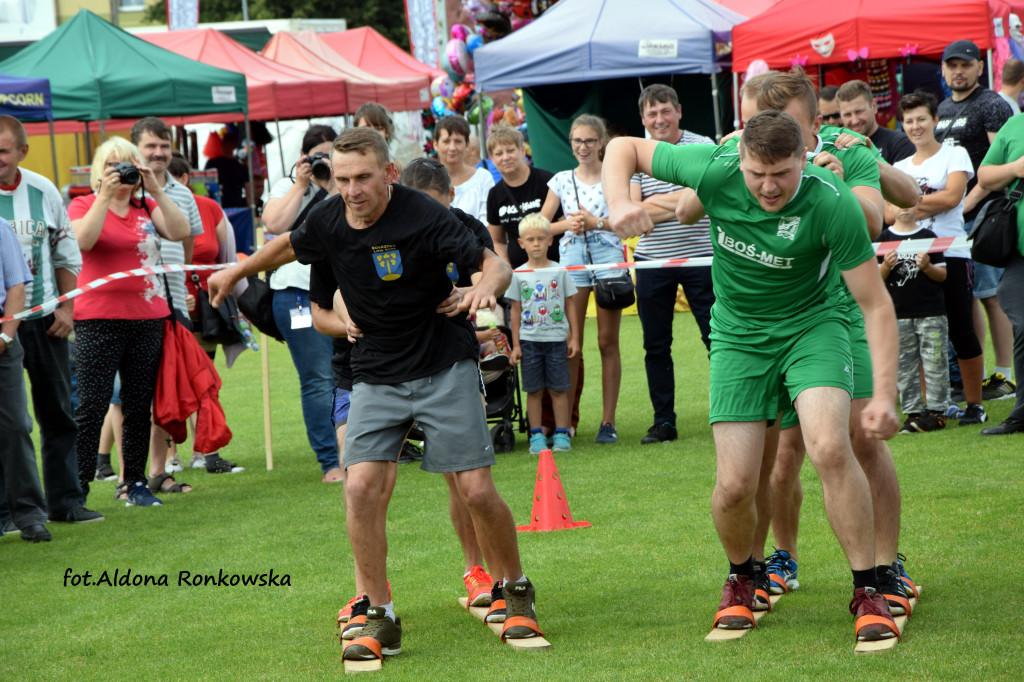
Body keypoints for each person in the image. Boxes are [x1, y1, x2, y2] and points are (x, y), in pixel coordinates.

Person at [206, 128, 543, 661]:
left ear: (388, 172)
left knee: (477, 492)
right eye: (342, 180)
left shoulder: (425, 214)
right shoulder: (331, 216)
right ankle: (380, 612)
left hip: (442, 365)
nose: (352, 190)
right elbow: (288, 245)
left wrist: (485, 287)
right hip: (375, 373)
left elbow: (494, 262)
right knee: (359, 488)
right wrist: (236, 270)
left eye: (362, 177)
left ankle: (517, 589)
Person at [604, 109, 901, 642]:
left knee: (831, 447)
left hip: (815, 326)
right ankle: (742, 577)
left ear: (802, 160)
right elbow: (622, 146)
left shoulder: (831, 201)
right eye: (756, 173)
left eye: (782, 173)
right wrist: (620, 202)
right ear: (738, 159)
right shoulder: (715, 166)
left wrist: (883, 392)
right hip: (739, 335)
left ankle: (868, 587)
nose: (768, 186)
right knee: (736, 484)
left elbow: (875, 304)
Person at [67, 137, 189, 508]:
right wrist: (105, 196)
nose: (121, 173)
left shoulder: (146, 205)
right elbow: (82, 243)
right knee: (92, 405)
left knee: (139, 406)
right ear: (98, 172)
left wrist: (155, 190)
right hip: (97, 319)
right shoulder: (83, 204)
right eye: (112, 166)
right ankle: (78, 487)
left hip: (147, 319)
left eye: (128, 166)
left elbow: (180, 232)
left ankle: (134, 482)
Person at [0, 115, 101, 525]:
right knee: (8, 422)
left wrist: (66, 308)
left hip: (44, 317)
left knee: (58, 411)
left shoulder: (43, 190)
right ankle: (8, 510)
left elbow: (65, 253)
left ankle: (66, 501)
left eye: (4, 150)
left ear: (23, 151)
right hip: (0, 325)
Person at [130, 117, 225, 480]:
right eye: (151, 146)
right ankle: (128, 476)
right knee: (131, 397)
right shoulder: (125, 186)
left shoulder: (184, 194)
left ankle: (158, 471)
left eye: (164, 146)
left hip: (171, 305)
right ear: (136, 147)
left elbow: (186, 252)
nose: (158, 153)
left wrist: (182, 288)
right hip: (130, 307)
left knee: (168, 392)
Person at [629, 84, 715, 444]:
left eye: (665, 110)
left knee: (719, 338)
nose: (659, 119)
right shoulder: (634, 154)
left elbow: (710, 194)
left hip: (703, 258)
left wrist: (657, 204)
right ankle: (664, 422)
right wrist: (683, 198)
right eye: (652, 113)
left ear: (679, 111)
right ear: (643, 119)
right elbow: (635, 214)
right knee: (655, 345)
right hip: (652, 262)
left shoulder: (704, 146)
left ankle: (735, 410)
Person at [893, 90, 984, 424]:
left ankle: (974, 403)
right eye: (909, 121)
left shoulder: (954, 154)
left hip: (952, 250)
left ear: (935, 120)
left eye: (921, 119)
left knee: (960, 327)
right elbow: (888, 211)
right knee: (914, 331)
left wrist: (908, 204)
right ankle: (926, 406)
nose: (915, 126)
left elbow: (953, 197)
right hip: (910, 253)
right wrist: (923, 201)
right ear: (902, 125)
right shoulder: (899, 165)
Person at [485, 124, 580, 436]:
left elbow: (567, 221)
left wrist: (547, 256)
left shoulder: (545, 180)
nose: (505, 156)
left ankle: (568, 423)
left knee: (567, 348)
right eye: (497, 153)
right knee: (530, 346)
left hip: (555, 275)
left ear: (522, 149)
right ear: (492, 159)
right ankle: (542, 427)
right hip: (521, 280)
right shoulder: (495, 194)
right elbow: (497, 239)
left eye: (510, 149)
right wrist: (507, 268)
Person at [935, 39, 1015, 405]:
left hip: (985, 213)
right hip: (952, 217)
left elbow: (1001, 161)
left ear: (980, 67)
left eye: (965, 64)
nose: (958, 71)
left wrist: (965, 205)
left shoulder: (991, 104)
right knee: (965, 297)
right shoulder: (943, 107)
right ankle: (980, 373)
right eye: (952, 65)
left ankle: (1005, 374)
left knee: (989, 295)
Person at [261, 124, 340, 483]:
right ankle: (331, 462)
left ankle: (358, 450)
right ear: (304, 158)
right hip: (295, 294)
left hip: (339, 294)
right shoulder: (287, 185)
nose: (325, 161)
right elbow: (275, 224)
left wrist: (333, 184)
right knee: (317, 378)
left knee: (346, 374)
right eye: (318, 155)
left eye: (331, 154)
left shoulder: (344, 185)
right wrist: (301, 184)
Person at [542, 114, 625, 445]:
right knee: (571, 345)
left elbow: (627, 220)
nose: (583, 147)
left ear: (601, 142)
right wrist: (569, 225)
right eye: (577, 140)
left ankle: (608, 422)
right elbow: (539, 226)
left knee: (607, 342)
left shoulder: (614, 176)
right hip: (573, 261)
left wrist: (597, 223)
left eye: (590, 140)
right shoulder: (561, 180)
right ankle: (567, 424)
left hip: (609, 259)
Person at [508, 213, 579, 454]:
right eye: (530, 239)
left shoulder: (560, 272)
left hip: (557, 340)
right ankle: (536, 435)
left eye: (541, 238)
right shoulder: (517, 275)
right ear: (521, 243)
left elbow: (570, 304)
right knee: (534, 390)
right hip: (529, 343)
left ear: (550, 240)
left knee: (559, 389)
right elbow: (515, 311)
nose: (536, 244)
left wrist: (574, 337)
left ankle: (562, 433)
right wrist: (516, 345)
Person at [0, 216, 52, 541]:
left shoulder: (1, 227)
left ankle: (30, 514)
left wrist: (5, 339)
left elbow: (16, 287)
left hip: (2, 340)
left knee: (15, 426)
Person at [877, 198, 949, 432]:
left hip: (931, 313)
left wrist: (927, 266)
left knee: (935, 360)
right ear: (888, 206)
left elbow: (942, 276)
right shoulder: (882, 240)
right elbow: (874, 280)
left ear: (918, 204)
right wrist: (886, 267)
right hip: (897, 315)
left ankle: (937, 412)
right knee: (904, 366)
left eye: (909, 202)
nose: (904, 207)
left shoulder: (930, 236)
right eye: (898, 202)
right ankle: (913, 413)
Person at [978, 111, 1024, 435]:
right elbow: (985, 176)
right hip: (1020, 254)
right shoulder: (1014, 125)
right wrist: (1015, 168)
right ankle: (1022, 413)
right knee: (1022, 325)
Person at [836, 80, 916, 164]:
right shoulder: (836, 148)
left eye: (859, 112)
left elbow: (904, 177)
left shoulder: (900, 143)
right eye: (847, 115)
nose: (855, 121)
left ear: (874, 106)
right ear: (840, 114)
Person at [435, 115, 494, 224]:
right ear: (435, 144)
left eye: (458, 141)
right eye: (446, 141)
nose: (452, 148)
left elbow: (487, 222)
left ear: (467, 144)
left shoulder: (483, 178)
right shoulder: (427, 182)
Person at [205, 129, 250, 209]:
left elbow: (248, 190)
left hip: (219, 205)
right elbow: (248, 190)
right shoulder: (241, 166)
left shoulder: (212, 163)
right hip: (228, 206)